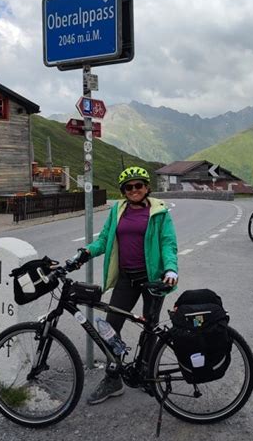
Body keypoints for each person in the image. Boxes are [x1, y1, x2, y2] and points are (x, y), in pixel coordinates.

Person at [73, 166, 179, 405]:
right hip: (126, 279)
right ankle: (114, 378)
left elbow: (168, 243)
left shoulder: (159, 212)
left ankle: (146, 375)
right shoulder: (117, 210)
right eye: (129, 187)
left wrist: (171, 268)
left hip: (152, 279)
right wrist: (85, 253)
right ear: (123, 191)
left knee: (150, 328)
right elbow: (104, 239)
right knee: (110, 329)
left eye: (138, 185)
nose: (134, 190)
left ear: (146, 187)